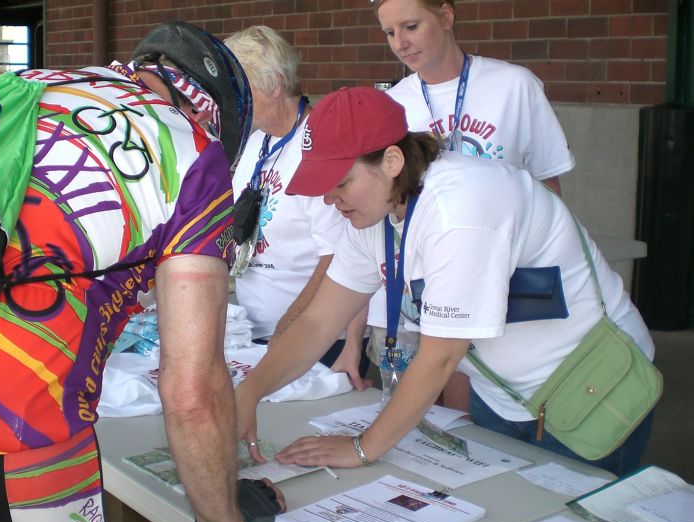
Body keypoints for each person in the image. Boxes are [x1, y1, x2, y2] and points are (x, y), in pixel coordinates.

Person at [0, 21, 283, 522]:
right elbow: (194, 393)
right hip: (9, 435)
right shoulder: (193, 152)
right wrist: (224, 521)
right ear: (216, 117)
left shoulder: (33, 84)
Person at [235, 86, 656, 478]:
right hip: (503, 395)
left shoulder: (458, 208)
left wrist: (362, 449)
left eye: (340, 182)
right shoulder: (375, 211)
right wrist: (249, 391)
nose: (330, 199)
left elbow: (439, 357)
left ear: (392, 162)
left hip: (590, 385)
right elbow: (317, 322)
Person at [366, 0, 577, 410]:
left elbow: (548, 183)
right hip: (426, 276)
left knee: (484, 404)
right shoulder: (393, 103)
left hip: (504, 273)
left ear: (446, 16)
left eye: (411, 26)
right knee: (428, 411)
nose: (401, 44)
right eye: (390, 34)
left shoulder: (514, 85)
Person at [224, 25, 370, 388]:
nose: (232, 100)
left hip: (316, 342)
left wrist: (287, 331)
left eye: (241, 88)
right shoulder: (256, 141)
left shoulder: (319, 146)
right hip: (253, 336)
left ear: (273, 85)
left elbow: (340, 254)